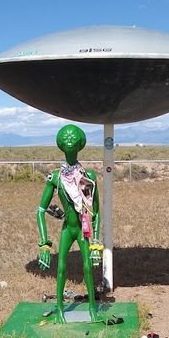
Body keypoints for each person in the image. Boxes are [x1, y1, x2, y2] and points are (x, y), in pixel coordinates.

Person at [37, 124, 102, 323]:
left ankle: (92, 308)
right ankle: (59, 309)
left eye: (73, 136)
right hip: (68, 228)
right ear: (60, 144)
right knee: (61, 267)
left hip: (83, 229)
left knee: (88, 268)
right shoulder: (55, 178)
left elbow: (97, 212)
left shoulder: (88, 176)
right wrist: (45, 244)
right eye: (65, 137)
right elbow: (40, 210)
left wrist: (95, 243)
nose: (70, 139)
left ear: (80, 142)